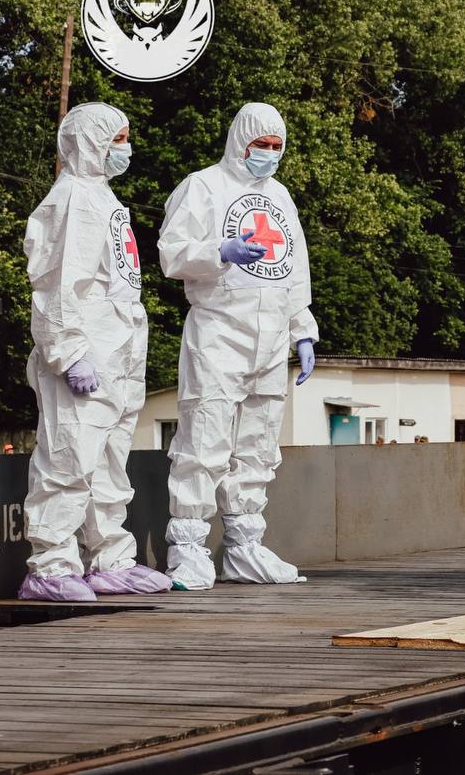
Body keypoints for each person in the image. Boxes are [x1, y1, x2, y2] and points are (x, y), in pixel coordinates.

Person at [159, 102, 318, 589]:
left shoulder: (280, 196)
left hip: (270, 339)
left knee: (258, 445)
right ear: (239, 141)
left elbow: (294, 268)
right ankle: (188, 548)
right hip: (219, 332)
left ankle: (245, 547)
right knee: (204, 439)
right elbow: (171, 253)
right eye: (260, 145)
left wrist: (302, 328)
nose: (268, 153)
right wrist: (219, 252)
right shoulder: (202, 186)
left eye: (276, 146)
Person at [20, 102, 172, 600]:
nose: (125, 149)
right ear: (91, 141)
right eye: (118, 139)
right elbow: (57, 282)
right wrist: (68, 352)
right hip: (85, 352)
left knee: (108, 463)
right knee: (68, 458)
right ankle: (50, 566)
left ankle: (109, 559)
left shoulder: (102, 197)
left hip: (117, 353)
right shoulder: (71, 200)